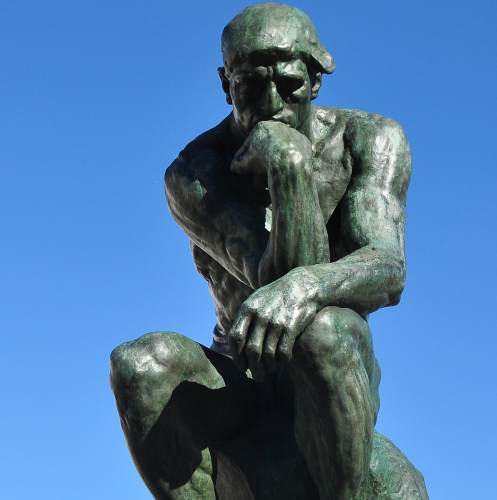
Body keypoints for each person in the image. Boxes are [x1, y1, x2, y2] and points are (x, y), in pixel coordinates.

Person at [109, 4, 427, 500]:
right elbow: (268, 276)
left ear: (316, 81)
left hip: (328, 369)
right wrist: (291, 166)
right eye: (250, 87)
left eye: (290, 85)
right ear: (225, 84)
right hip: (242, 377)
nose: (271, 103)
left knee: (321, 328)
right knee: (138, 364)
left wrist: (308, 283)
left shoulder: (371, 140)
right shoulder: (195, 173)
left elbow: (388, 267)